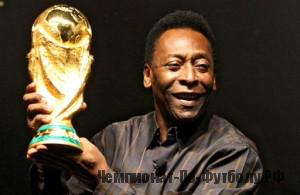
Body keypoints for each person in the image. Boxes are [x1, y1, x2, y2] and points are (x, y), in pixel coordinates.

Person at [24, 10, 263, 194]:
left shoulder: (234, 153)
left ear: (213, 79)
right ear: (148, 76)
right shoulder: (114, 139)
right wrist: (51, 150)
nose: (190, 78)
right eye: (174, 65)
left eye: (202, 67)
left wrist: (102, 178)